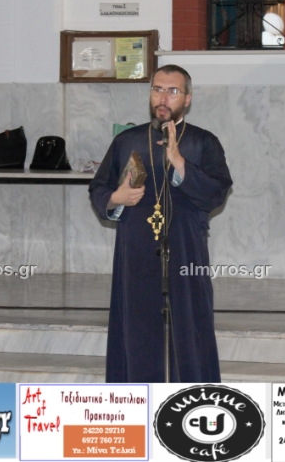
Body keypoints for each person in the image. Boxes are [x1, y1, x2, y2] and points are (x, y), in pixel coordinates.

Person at [89, 64, 233, 382]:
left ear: (187, 99)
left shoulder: (203, 142)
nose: (163, 98)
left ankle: (187, 402)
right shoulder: (127, 140)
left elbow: (217, 192)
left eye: (172, 91)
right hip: (136, 254)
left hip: (184, 252)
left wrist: (179, 162)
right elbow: (98, 189)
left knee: (189, 332)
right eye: (157, 89)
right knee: (137, 334)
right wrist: (116, 198)